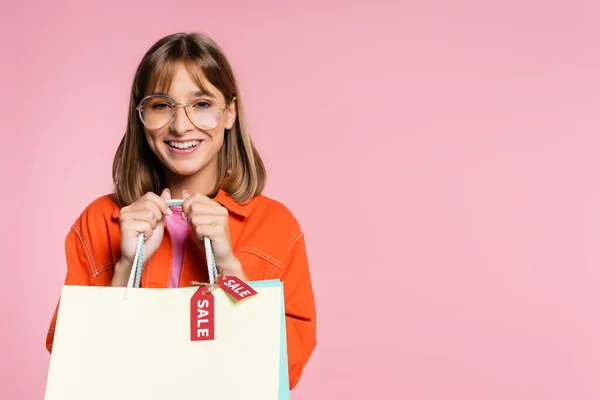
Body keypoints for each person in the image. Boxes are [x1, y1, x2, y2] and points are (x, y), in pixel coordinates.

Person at [45, 32, 317, 390]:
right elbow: (72, 360)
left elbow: (285, 366)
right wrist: (128, 266)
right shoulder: (99, 221)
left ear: (230, 113)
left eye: (201, 104)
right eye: (161, 105)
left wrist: (229, 267)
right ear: (141, 117)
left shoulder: (276, 226)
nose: (180, 124)